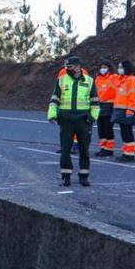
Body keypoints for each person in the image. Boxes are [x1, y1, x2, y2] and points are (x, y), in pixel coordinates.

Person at [47, 56, 100, 187]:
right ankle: (66, 176)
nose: (67, 69)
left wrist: (92, 117)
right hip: (66, 119)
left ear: (77, 66)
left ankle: (84, 176)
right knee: (65, 149)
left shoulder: (89, 81)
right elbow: (54, 99)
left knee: (84, 149)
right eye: (66, 67)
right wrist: (52, 115)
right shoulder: (62, 80)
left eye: (69, 67)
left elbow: (95, 101)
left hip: (83, 120)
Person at [111, 60, 135, 162]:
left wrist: (131, 110)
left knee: (127, 133)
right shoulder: (123, 80)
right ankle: (126, 153)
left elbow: (134, 96)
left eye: (121, 67)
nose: (119, 69)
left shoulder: (132, 80)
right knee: (124, 132)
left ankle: (129, 154)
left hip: (127, 110)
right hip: (121, 110)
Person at [93, 60, 119, 156]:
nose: (103, 69)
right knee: (101, 128)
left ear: (109, 68)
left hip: (110, 105)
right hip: (99, 105)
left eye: (105, 67)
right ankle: (103, 148)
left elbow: (117, 90)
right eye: (102, 67)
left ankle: (109, 149)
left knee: (108, 127)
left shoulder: (114, 78)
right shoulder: (98, 79)